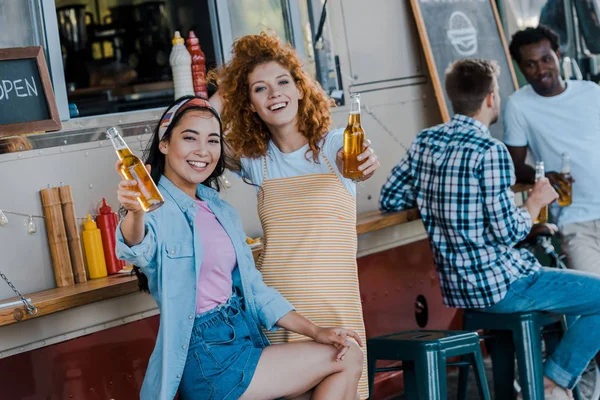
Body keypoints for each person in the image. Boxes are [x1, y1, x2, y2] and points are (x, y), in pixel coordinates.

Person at [115, 96, 364, 400]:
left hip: (243, 338)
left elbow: (256, 292)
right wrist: (136, 211)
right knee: (347, 357)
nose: (202, 151)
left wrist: (316, 331)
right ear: (165, 144)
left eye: (213, 140)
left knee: (336, 363)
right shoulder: (155, 209)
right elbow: (136, 247)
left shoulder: (219, 210)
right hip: (208, 357)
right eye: (189, 138)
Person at [379, 59, 600, 400]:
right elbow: (507, 231)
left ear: (454, 98)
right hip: (502, 285)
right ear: (491, 99)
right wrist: (534, 202)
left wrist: (434, 194)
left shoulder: (426, 142)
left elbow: (390, 196)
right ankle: (551, 381)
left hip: (457, 290)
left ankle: (551, 381)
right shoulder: (490, 150)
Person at [209, 32, 379, 399]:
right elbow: (200, 133)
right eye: (259, 89)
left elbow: (356, 159)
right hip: (281, 310)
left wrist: (365, 161)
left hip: (335, 308)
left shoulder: (334, 145)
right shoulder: (257, 162)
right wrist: (225, 90)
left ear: (301, 89)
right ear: (249, 104)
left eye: (283, 82)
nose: (274, 94)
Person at [504, 25, 600, 275]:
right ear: (519, 66)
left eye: (546, 59)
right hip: (575, 219)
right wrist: (545, 179)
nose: (540, 70)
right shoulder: (518, 105)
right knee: (594, 299)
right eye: (530, 64)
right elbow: (514, 166)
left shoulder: (591, 92)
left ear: (558, 54)